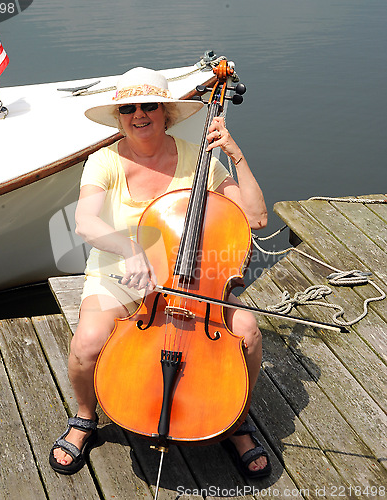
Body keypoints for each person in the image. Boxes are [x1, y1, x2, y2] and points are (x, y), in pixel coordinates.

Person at [49, 66, 270, 479]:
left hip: (190, 279)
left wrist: (234, 153)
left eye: (149, 105)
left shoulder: (198, 160)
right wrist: (130, 247)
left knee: (249, 330)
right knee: (87, 345)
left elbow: (255, 217)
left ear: (166, 112)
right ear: (118, 117)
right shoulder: (105, 161)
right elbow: (84, 223)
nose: (139, 114)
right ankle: (84, 417)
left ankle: (236, 418)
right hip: (120, 273)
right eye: (128, 108)